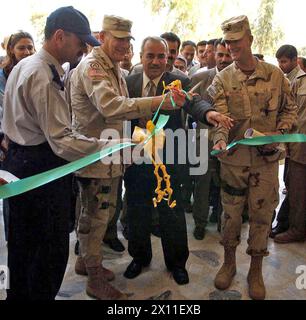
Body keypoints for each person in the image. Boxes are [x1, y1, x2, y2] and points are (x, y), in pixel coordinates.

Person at [1, 6, 122, 301]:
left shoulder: (29, 65)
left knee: (23, 252)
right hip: (39, 170)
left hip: (23, 162)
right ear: (59, 36)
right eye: (80, 41)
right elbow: (62, 142)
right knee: (47, 254)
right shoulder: (42, 74)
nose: (83, 48)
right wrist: (110, 147)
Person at [70, 16, 187, 300]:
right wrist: (159, 102)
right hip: (99, 156)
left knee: (104, 215)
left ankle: (89, 264)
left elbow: (194, 106)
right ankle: (95, 276)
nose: (123, 44)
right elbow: (112, 107)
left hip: (129, 158)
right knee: (96, 218)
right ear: (101, 36)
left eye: (127, 39)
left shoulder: (115, 70)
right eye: (118, 38)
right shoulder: (96, 67)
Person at [123, 36, 233, 285]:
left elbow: (195, 103)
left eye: (161, 56)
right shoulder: (128, 82)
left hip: (169, 160)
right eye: (150, 55)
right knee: (137, 211)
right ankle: (139, 258)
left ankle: (177, 263)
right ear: (141, 56)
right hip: (136, 159)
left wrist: (210, 113)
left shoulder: (179, 81)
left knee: (171, 213)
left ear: (167, 58)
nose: (155, 61)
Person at [209, 15, 297, 300]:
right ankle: (229, 262)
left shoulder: (275, 75)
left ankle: (255, 269)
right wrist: (220, 140)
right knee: (231, 215)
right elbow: (219, 119)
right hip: (233, 162)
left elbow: (289, 111)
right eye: (227, 41)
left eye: (236, 40)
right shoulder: (222, 78)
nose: (231, 46)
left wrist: (279, 134)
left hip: (266, 162)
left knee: (261, 216)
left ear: (249, 39)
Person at [190, 38, 232, 240]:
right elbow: (189, 109)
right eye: (220, 55)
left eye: (228, 55)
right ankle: (200, 222)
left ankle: (224, 222)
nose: (224, 59)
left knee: (227, 183)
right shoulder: (200, 78)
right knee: (202, 183)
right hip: (204, 139)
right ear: (213, 55)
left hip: (231, 141)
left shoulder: (240, 80)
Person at [0, 31, 35, 242]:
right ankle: (12, 237)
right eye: (21, 48)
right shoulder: (2, 77)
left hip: (29, 146)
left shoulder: (35, 71)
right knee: (11, 194)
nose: (27, 52)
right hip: (6, 144)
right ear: (11, 50)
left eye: (30, 47)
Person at [271, 44, 305, 237]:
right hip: (289, 144)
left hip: (298, 144)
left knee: (295, 188)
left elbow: (297, 118)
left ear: (295, 60)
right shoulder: (282, 80)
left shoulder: (301, 81)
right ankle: (285, 223)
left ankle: (291, 226)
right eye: (279, 61)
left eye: (284, 61)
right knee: (290, 185)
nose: (281, 65)